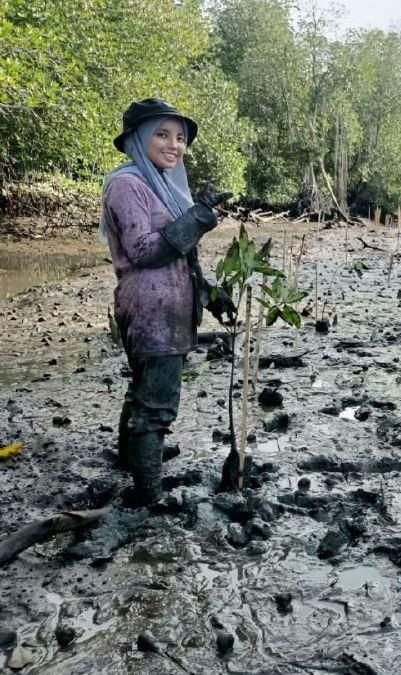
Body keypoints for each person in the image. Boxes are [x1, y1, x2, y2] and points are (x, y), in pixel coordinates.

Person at [100, 98, 234, 505]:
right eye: (162, 134)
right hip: (151, 309)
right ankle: (147, 492)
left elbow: (182, 256)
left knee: (143, 389)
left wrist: (210, 295)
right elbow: (143, 250)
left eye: (180, 137)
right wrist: (198, 216)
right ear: (137, 140)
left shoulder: (162, 187)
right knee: (156, 404)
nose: (174, 145)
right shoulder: (127, 185)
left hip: (168, 307)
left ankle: (133, 459)